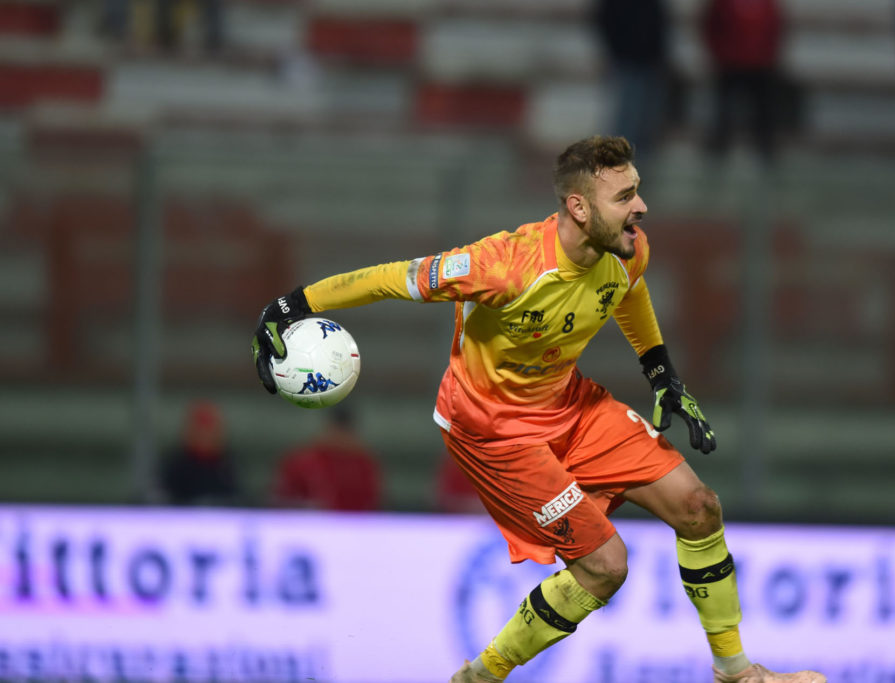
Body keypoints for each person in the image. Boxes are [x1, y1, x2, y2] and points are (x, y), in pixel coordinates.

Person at [251, 136, 824, 683]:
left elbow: (629, 291)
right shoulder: (504, 266)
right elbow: (391, 280)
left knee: (699, 508)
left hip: (568, 402)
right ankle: (484, 674)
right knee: (606, 566)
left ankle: (735, 671)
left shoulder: (627, 249)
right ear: (579, 207)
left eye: (638, 191)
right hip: (494, 432)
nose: (641, 207)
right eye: (625, 196)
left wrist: (661, 372)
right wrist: (292, 305)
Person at [698, 0, 786, 165]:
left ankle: (765, 147)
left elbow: (775, 28)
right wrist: (717, 53)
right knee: (724, 109)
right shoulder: (723, 4)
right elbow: (711, 26)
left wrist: (770, 55)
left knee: (763, 110)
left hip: (760, 63)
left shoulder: (766, 4)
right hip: (730, 62)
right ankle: (719, 148)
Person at [593, 0, 676, 167]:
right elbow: (605, 21)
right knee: (629, 111)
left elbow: (658, 25)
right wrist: (616, 50)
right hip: (628, 58)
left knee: (648, 113)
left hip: (650, 60)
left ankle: (640, 157)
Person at [271, 407, 382, 511]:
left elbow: (372, 502)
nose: (340, 439)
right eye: (337, 431)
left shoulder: (363, 464)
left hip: (352, 522)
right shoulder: (302, 461)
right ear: (329, 429)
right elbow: (282, 498)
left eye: (344, 432)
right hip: (310, 522)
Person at [158, 400, 240, 506]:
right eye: (200, 430)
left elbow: (238, 500)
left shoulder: (227, 467)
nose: (205, 435)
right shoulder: (174, 467)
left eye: (209, 429)